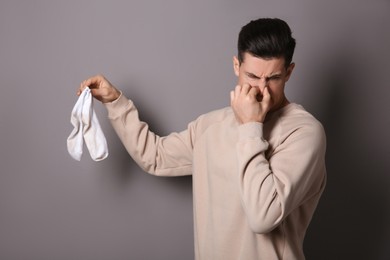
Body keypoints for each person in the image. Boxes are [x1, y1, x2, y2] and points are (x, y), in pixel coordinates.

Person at [77, 18, 326, 260]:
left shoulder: (304, 132)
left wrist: (252, 124)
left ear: (289, 72)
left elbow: (263, 216)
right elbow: (155, 157)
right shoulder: (210, 125)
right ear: (236, 66)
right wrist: (115, 101)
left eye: (273, 78)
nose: (262, 89)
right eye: (252, 76)